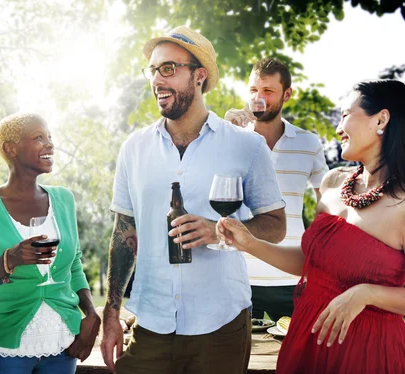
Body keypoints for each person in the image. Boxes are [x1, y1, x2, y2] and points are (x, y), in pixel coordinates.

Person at [100, 26, 287, 374]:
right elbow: (123, 235)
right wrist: (111, 313)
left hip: (220, 325)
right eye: (153, 70)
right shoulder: (134, 149)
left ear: (199, 75)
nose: (157, 80)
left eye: (168, 68)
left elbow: (276, 226)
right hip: (150, 324)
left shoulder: (246, 146)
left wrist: (221, 231)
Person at [219, 79, 405, 373]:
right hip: (305, 338)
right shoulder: (333, 183)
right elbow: (312, 261)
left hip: (366, 353)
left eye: (345, 115)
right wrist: (249, 243)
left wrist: (366, 294)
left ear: (381, 119)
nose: (338, 128)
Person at [0, 113, 100, 374]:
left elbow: (74, 267)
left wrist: (91, 314)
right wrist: (8, 261)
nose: (50, 144)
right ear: (10, 148)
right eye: (39, 138)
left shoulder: (64, 199)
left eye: (50, 137)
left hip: (62, 346)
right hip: (5, 352)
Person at [225, 58, 329, 321]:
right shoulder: (231, 138)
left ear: (287, 95)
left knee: (298, 358)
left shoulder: (308, 142)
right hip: (240, 276)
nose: (258, 98)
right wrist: (224, 136)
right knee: (242, 359)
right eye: (253, 91)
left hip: (294, 277)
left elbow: (327, 207)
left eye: (268, 91)